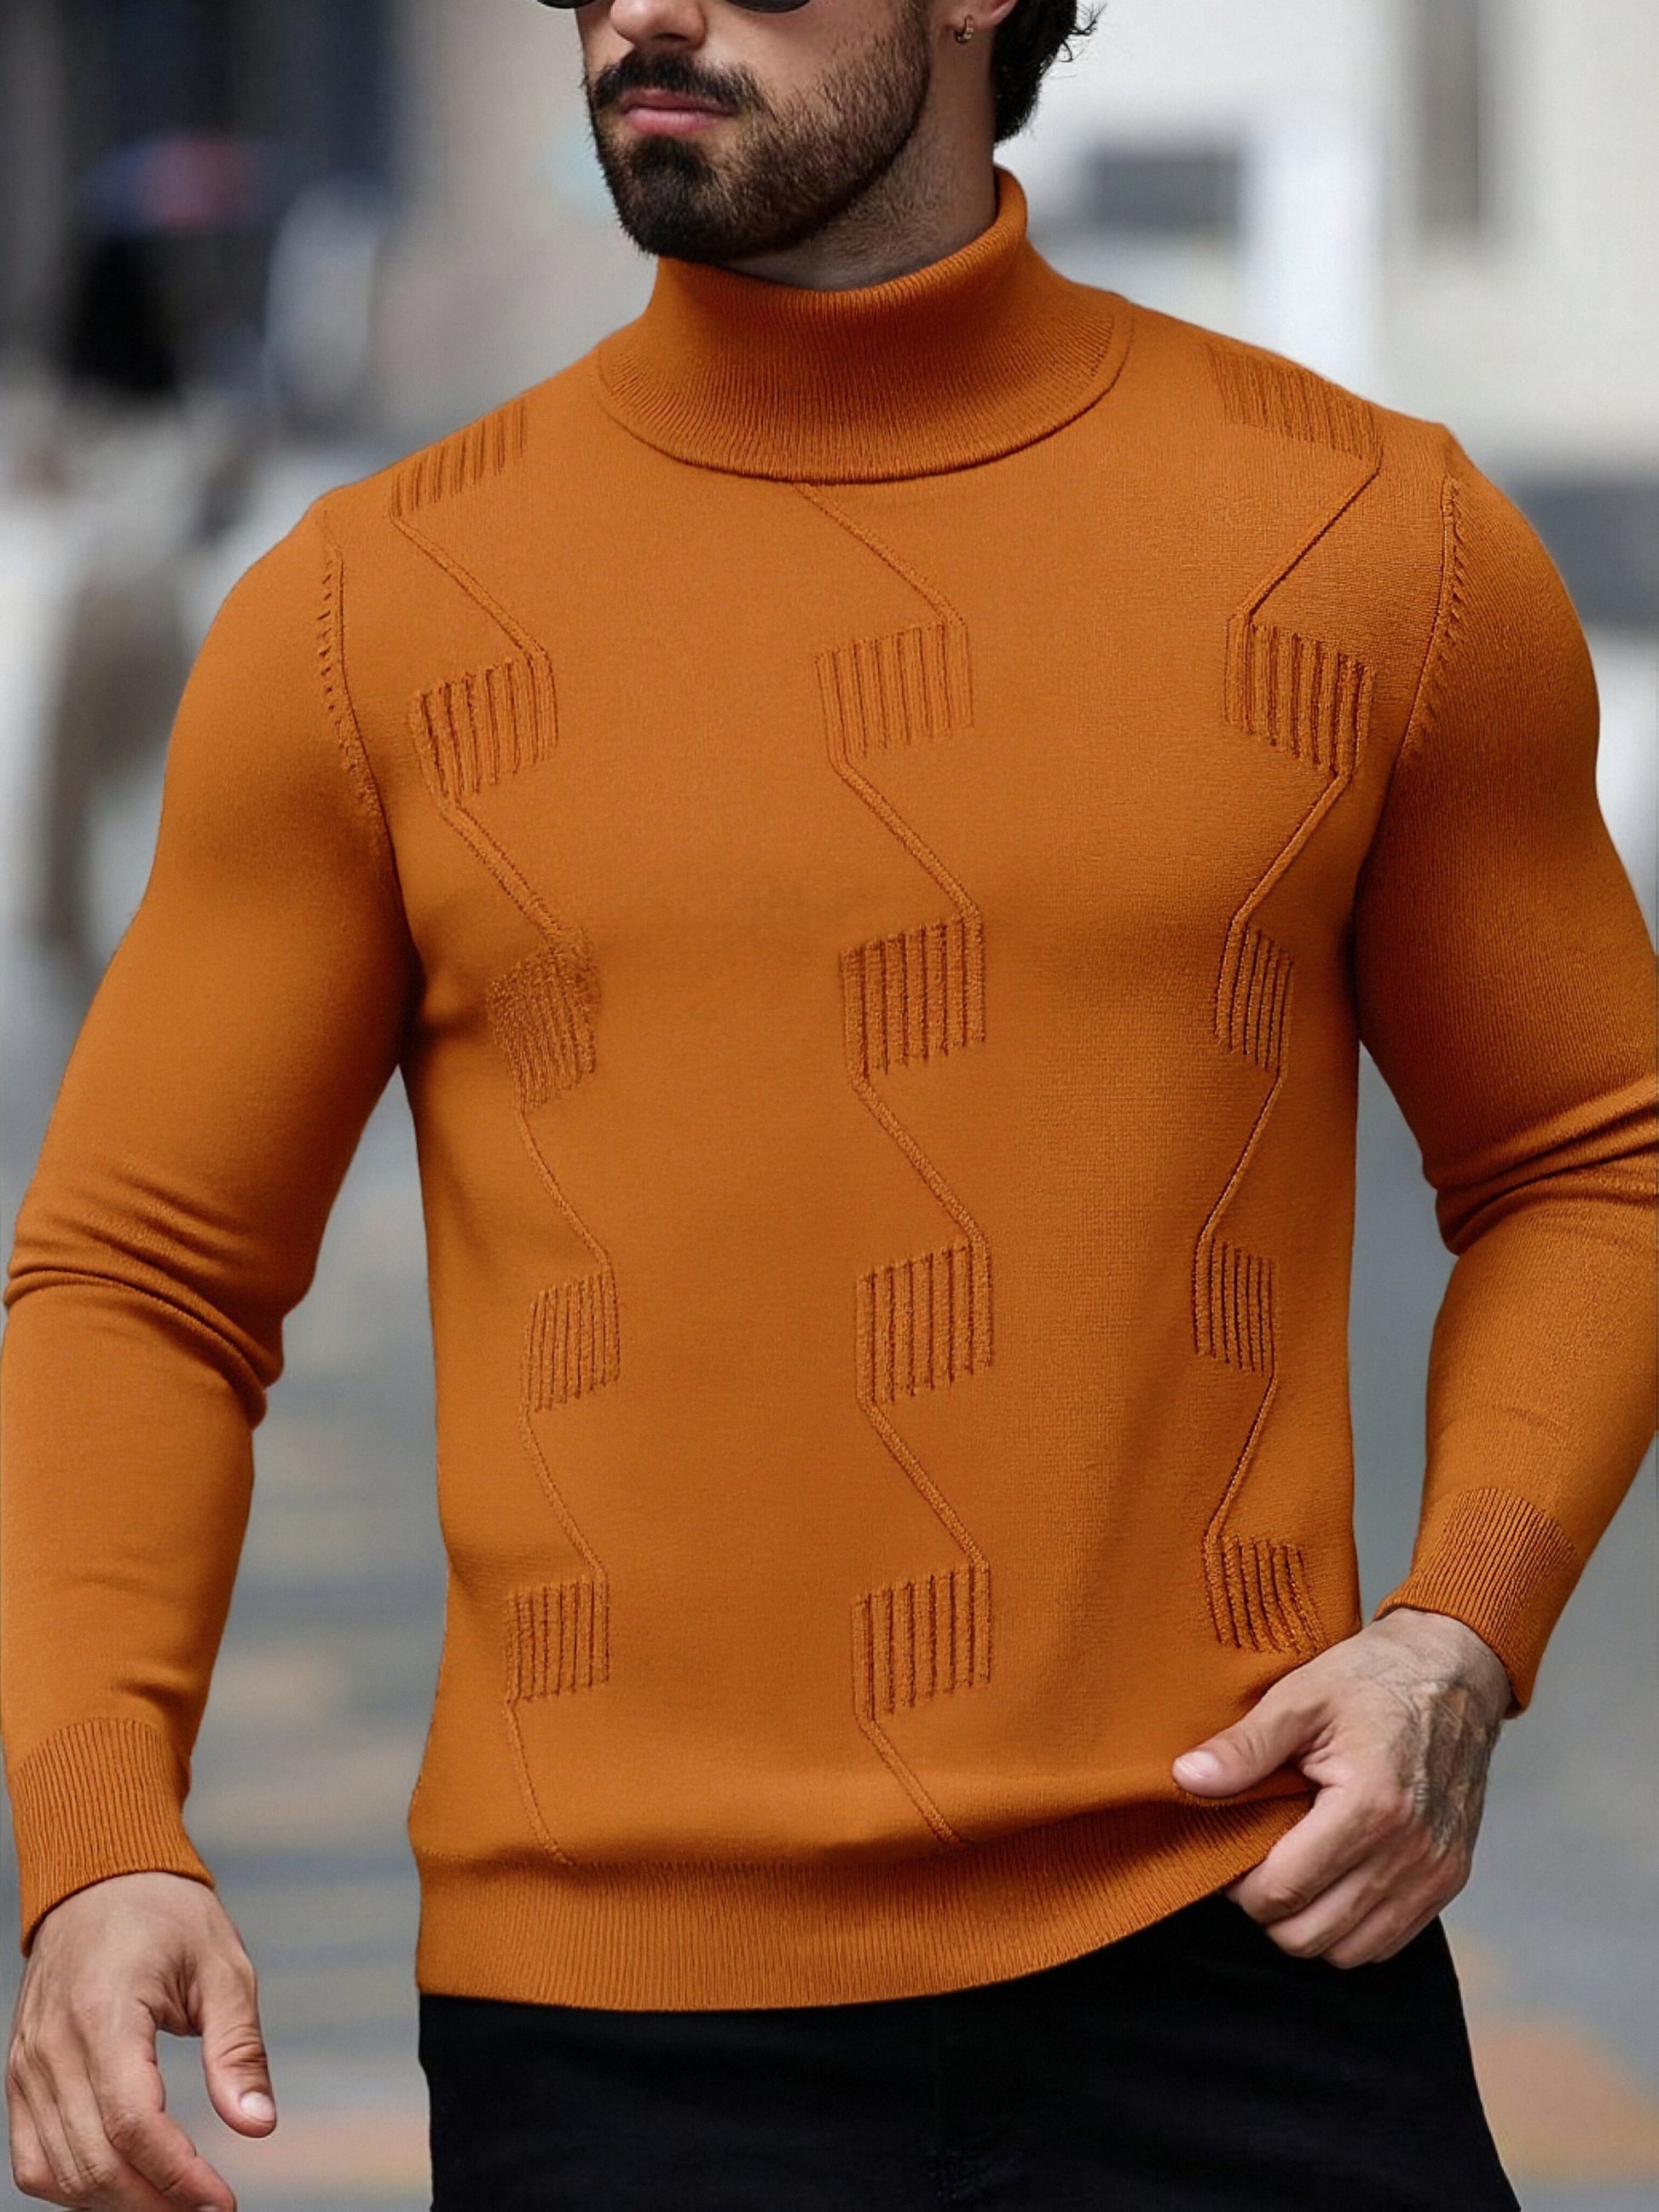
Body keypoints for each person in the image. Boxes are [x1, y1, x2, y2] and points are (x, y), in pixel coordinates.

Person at [3, 0, 1654, 2198]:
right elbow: (144, 1276)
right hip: (615, 2047)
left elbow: (1589, 1155)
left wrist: (1463, 1630)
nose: (647, 10)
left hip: (1242, 1960)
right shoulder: (368, 616)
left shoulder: (1371, 541)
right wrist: (100, 1834)